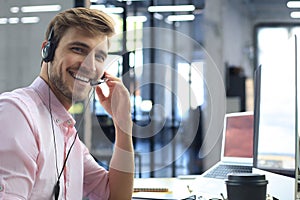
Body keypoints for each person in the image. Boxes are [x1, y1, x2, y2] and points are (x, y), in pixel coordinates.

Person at [0, 7, 134, 200]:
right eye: (78, 49)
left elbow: (116, 196)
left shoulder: (67, 134)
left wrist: (123, 123)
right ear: (48, 51)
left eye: (99, 57)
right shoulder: (18, 113)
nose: (90, 65)